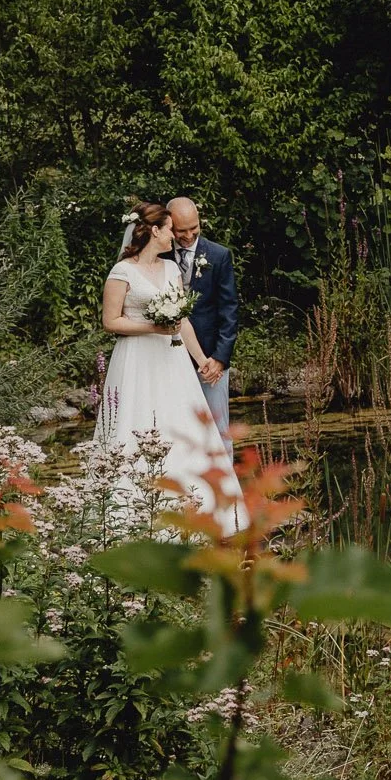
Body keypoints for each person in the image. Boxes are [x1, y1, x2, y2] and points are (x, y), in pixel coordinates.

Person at [96, 201, 244, 533]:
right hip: (136, 359)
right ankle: (129, 516)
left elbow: (183, 322)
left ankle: (200, 509)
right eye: (170, 229)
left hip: (173, 359)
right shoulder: (122, 272)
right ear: (156, 231)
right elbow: (111, 321)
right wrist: (153, 328)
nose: (176, 237)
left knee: (184, 428)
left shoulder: (171, 270)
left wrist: (204, 359)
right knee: (134, 426)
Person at [165, 196, 237, 435]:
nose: (188, 236)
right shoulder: (158, 256)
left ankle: (226, 473)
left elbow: (229, 310)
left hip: (209, 358)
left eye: (193, 228)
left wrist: (219, 358)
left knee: (217, 429)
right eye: (181, 231)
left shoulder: (219, 255)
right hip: (167, 355)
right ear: (168, 226)